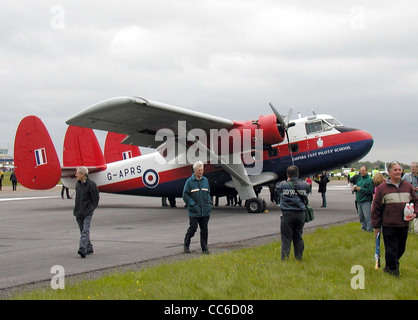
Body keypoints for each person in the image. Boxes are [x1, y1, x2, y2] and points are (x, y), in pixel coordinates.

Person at [372, 162, 417, 277]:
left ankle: (389, 266)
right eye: (395, 170)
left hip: (403, 224)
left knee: (401, 248)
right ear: (389, 172)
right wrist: (376, 226)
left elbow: (416, 202)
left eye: (399, 170)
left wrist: (415, 213)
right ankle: (393, 271)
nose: (398, 172)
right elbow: (376, 208)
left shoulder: (408, 186)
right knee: (391, 248)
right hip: (389, 224)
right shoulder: (382, 188)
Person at [275, 165, 310, 260]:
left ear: (287, 174)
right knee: (298, 236)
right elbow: (307, 191)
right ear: (298, 174)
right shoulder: (305, 185)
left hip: (288, 213)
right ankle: (299, 257)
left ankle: (285, 258)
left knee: (286, 238)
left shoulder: (283, 185)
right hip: (300, 214)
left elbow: (277, 189)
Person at [182, 161, 212, 254]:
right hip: (194, 211)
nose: (201, 172)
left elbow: (208, 192)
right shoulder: (189, 182)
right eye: (199, 170)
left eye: (202, 170)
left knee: (204, 230)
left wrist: (208, 203)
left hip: (205, 210)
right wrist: (192, 204)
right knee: (193, 228)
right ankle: (186, 244)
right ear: (194, 171)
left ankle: (205, 248)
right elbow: (185, 195)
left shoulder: (205, 181)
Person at [73, 166, 100, 258]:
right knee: (82, 231)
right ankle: (89, 247)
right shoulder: (78, 185)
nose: (76, 175)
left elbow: (95, 199)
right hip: (79, 212)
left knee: (85, 230)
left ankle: (82, 249)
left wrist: (91, 209)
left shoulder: (91, 185)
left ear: (83, 174)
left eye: (77, 173)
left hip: (87, 212)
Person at [353, 166, 374, 232]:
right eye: (361, 170)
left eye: (363, 171)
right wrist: (355, 189)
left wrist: (361, 189)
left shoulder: (369, 180)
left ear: (366, 171)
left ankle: (369, 229)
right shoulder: (359, 179)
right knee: (361, 217)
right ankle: (364, 228)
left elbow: (370, 191)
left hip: (366, 201)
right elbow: (356, 187)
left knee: (367, 217)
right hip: (359, 200)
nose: (361, 172)